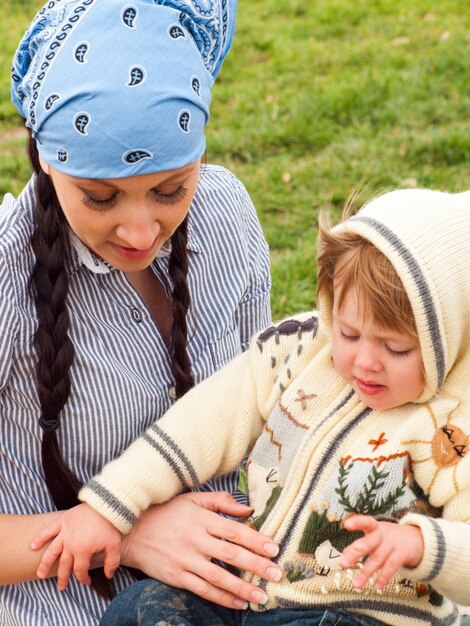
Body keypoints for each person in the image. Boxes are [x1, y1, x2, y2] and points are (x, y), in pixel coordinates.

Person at [32, 187, 470, 625]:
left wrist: (422, 546)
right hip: (247, 592)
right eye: (350, 334)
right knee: (143, 608)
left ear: (448, 339)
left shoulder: (451, 428)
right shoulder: (298, 351)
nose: (365, 361)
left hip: (358, 613)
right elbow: (202, 422)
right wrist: (110, 505)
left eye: (396, 349)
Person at [0, 0, 281, 624]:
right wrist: (122, 532)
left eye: (170, 189)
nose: (138, 228)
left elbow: (268, 414)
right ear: (47, 156)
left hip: (237, 593)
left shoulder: (225, 213)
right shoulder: (6, 275)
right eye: (100, 197)